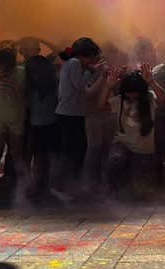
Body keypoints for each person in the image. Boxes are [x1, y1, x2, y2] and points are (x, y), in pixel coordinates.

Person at [53, 37, 109, 199]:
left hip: (72, 114)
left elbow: (84, 85)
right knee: (73, 152)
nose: (92, 60)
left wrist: (94, 72)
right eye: (91, 57)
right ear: (84, 55)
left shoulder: (74, 65)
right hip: (68, 115)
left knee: (76, 151)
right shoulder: (75, 63)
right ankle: (65, 187)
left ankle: (70, 186)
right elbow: (81, 86)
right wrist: (92, 71)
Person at [20, 37, 60, 198]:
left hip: (36, 120)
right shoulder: (40, 66)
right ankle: (40, 186)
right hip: (43, 120)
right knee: (42, 155)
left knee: (38, 154)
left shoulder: (30, 68)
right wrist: (42, 39)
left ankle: (36, 186)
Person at [0, 46, 27, 199]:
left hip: (16, 117)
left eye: (6, 67)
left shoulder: (21, 72)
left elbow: (25, 94)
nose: (3, 69)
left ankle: (22, 189)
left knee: (16, 154)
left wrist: (14, 85)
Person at [106, 70, 155, 195]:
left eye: (135, 93)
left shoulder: (149, 99)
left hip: (143, 148)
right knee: (115, 161)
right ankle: (113, 192)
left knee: (138, 187)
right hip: (123, 143)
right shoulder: (120, 101)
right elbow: (101, 104)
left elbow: (164, 99)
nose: (132, 96)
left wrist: (151, 82)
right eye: (129, 93)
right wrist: (108, 87)